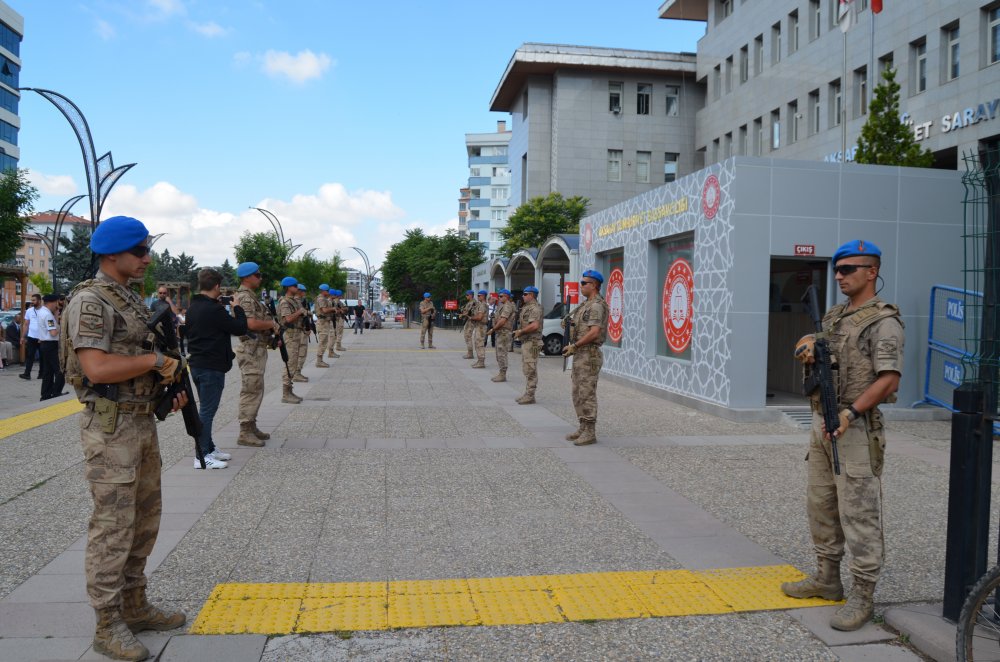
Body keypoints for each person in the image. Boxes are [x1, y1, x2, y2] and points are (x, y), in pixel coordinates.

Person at [60, 215, 188, 661]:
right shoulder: (92, 301)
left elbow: (137, 356)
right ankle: (107, 623)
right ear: (111, 253)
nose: (146, 259)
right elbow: (96, 368)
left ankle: (134, 605)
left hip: (139, 420)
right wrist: (156, 362)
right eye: (139, 252)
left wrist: (165, 388)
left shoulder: (128, 299)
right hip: (111, 428)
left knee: (145, 519)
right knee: (113, 525)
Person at [781, 239, 904, 632]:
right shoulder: (834, 315)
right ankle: (827, 579)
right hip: (822, 423)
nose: (840, 276)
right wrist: (805, 347)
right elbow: (812, 343)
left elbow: (889, 379)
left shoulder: (883, 321)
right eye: (837, 269)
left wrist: (851, 413)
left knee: (859, 513)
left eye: (849, 269)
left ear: (872, 271)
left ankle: (863, 594)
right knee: (821, 504)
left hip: (854, 425)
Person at [185, 268, 249, 468]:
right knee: (207, 411)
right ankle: (202, 456)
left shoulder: (193, 307)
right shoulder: (214, 310)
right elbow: (239, 327)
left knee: (206, 409)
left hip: (197, 365)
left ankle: (209, 447)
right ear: (216, 286)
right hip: (211, 367)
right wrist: (237, 307)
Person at [234, 262, 290, 434]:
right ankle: (245, 431)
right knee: (251, 389)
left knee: (256, 388)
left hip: (257, 349)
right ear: (247, 277)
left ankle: (251, 426)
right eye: (257, 275)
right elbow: (250, 323)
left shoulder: (251, 296)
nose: (260, 278)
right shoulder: (244, 297)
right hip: (250, 350)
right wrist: (271, 324)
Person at [562, 270, 609, 446]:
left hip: (588, 353)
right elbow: (580, 325)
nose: (581, 286)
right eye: (581, 283)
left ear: (594, 285)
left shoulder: (596, 305)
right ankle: (582, 426)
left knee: (587, 393)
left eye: (584, 283)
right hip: (581, 353)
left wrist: (575, 345)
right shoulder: (585, 305)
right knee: (577, 392)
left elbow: (594, 331)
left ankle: (590, 431)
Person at [277, 277, 309, 392]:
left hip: (297, 333)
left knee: (294, 362)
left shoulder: (294, 301)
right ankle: (286, 392)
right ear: (289, 288)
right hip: (290, 335)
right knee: (289, 364)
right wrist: (300, 312)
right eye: (295, 286)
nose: (297, 288)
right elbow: (288, 319)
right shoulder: (285, 301)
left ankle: (289, 390)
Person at [513, 286, 543, 404]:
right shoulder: (527, 307)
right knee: (527, 368)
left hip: (533, 342)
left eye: (525, 294)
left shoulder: (535, 308)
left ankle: (530, 395)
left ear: (532, 295)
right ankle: (528, 393)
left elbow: (534, 326)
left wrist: (521, 331)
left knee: (530, 369)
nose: (523, 296)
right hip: (527, 341)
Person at [37, 293, 66, 401]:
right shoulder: (47, 315)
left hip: (45, 344)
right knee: (60, 370)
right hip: (51, 345)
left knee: (47, 372)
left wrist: (56, 313)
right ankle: (56, 392)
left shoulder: (42, 312)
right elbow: (53, 332)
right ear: (52, 302)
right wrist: (62, 325)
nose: (57, 305)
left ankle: (45, 394)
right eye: (57, 302)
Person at [490, 289, 516, 382]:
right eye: (499, 296)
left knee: (502, 354)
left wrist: (493, 329)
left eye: (501, 296)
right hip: (500, 332)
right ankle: (501, 373)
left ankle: (503, 374)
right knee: (498, 354)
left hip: (504, 332)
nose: (499, 298)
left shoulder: (508, 306)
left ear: (506, 296)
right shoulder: (503, 305)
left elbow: (503, 320)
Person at [20, 293, 43, 380]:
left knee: (42, 357)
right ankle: (27, 374)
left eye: (34, 300)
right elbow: (26, 324)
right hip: (31, 336)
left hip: (42, 337)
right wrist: (23, 337)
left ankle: (41, 374)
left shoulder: (45, 310)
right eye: (32, 300)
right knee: (30, 356)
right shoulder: (29, 311)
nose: (32, 302)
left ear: (39, 301)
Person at [314, 284, 334, 367]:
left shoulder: (324, 299)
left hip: (325, 322)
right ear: (323, 291)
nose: (328, 292)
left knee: (324, 341)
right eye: (327, 291)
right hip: (322, 322)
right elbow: (324, 310)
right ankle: (319, 361)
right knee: (322, 342)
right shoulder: (321, 299)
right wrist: (333, 309)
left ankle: (320, 360)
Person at [294, 284, 311, 378]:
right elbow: (302, 314)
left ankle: (297, 372)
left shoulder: (300, 301)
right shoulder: (297, 302)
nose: (304, 293)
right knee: (301, 352)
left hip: (301, 329)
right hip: (299, 330)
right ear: (299, 291)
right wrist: (308, 313)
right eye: (303, 291)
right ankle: (296, 373)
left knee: (301, 352)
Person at [470, 290, 489, 369]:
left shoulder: (483, 305)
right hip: (479, 326)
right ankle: (479, 361)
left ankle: (481, 362)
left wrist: (471, 318)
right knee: (477, 343)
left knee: (479, 344)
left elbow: (479, 317)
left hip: (481, 326)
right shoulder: (480, 304)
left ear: (484, 296)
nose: (478, 297)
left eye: (479, 296)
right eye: (477, 295)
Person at [328, 289, 345, 358]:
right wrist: (339, 310)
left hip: (336, 319)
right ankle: (331, 351)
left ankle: (333, 350)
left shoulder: (336, 302)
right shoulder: (331, 301)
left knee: (335, 335)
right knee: (333, 336)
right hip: (333, 320)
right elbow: (332, 310)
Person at [459, 290, 476, 359]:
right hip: (468, 321)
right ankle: (469, 353)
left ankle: (470, 354)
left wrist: (462, 315)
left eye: (467, 295)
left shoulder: (473, 303)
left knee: (468, 337)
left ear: (471, 295)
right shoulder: (469, 302)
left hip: (470, 322)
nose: (466, 296)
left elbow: (468, 312)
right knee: (467, 337)